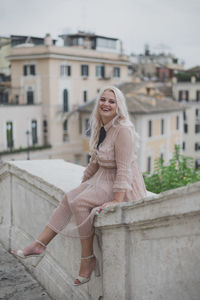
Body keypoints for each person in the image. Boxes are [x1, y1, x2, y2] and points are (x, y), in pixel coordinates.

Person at [12, 86, 147, 286]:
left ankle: (87, 259)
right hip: (103, 177)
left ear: (119, 106)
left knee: (81, 203)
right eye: (103, 99)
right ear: (98, 103)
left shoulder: (123, 129)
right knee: (70, 197)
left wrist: (117, 201)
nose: (106, 104)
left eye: (112, 101)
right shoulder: (103, 127)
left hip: (121, 184)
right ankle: (39, 244)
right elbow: (94, 162)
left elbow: (124, 170)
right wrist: (83, 186)